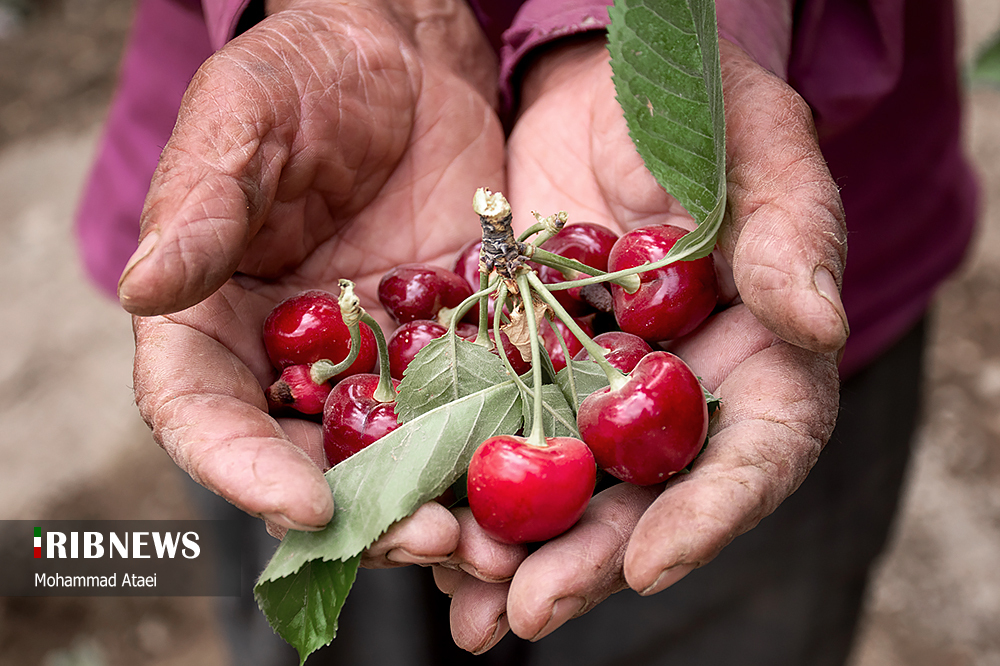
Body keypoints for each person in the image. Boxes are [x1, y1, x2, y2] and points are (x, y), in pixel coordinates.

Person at [75, 0, 976, 663]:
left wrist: (641, 41)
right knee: (334, 600)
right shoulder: (386, 346)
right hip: (299, 216)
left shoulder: (600, 311)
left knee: (717, 623)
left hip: (792, 243)